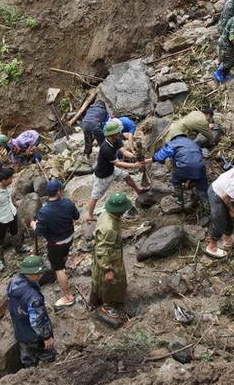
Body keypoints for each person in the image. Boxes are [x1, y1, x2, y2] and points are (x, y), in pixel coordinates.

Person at [86, 120, 149, 223]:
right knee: (95, 196)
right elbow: (118, 163)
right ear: (112, 134)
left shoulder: (116, 140)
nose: (120, 133)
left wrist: (135, 156)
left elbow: (123, 152)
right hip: (103, 175)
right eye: (118, 132)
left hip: (112, 170)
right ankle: (89, 215)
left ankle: (138, 189)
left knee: (126, 176)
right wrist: (135, 165)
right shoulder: (105, 148)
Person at [32, 179, 80, 307]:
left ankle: (68, 297)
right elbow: (76, 217)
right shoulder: (68, 203)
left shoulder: (44, 211)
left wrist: (33, 225)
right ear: (58, 192)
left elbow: (39, 232)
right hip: (69, 238)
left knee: (58, 268)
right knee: (63, 257)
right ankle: (63, 271)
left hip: (55, 244)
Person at [90, 193, 133, 325]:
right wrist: (108, 269)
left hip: (102, 252)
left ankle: (94, 300)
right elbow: (103, 250)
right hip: (109, 256)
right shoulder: (109, 228)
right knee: (111, 282)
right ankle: (108, 306)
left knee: (97, 276)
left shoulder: (105, 211)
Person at [7, 255, 57, 367]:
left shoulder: (14, 282)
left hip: (20, 331)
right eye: (38, 273)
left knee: (27, 359)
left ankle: (29, 373)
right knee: (49, 357)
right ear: (28, 273)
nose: (41, 275)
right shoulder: (34, 297)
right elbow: (37, 320)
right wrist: (47, 337)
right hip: (35, 337)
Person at [151, 134, 208, 207]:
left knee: (175, 180)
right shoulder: (192, 142)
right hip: (201, 167)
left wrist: (151, 159)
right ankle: (207, 211)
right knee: (203, 191)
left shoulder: (173, 143)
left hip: (185, 167)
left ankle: (180, 200)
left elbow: (160, 156)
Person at [0, 167, 24, 271]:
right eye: (10, 178)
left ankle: (19, 248)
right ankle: (0, 261)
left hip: (12, 213)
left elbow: (10, 195)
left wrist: (15, 203)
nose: (12, 180)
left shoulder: (8, 186)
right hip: (1, 219)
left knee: (15, 232)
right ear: (3, 180)